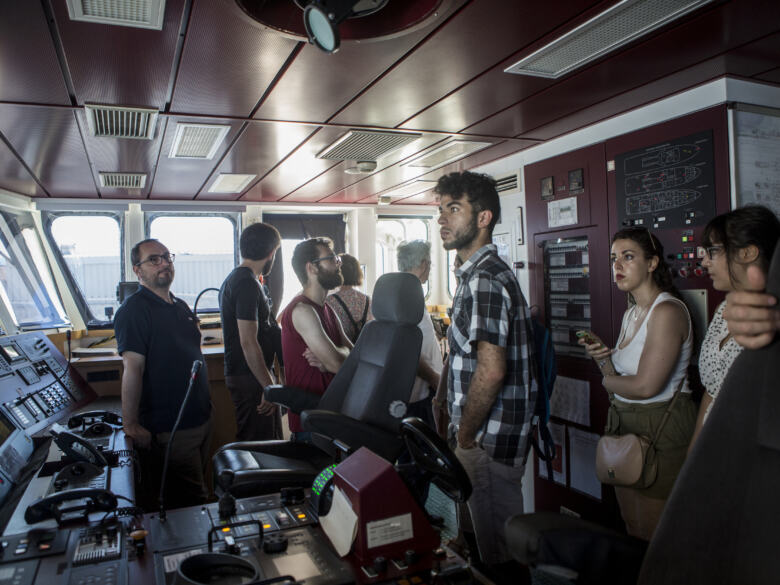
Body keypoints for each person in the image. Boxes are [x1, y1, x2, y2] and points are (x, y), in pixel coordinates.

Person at [435, 171, 536, 570]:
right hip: (481, 432)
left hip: (487, 439)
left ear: (483, 218)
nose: (442, 219)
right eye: (440, 210)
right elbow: (466, 356)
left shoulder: (486, 279)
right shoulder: (472, 275)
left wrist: (464, 432)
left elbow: (492, 371)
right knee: (481, 542)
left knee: (500, 556)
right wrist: (445, 400)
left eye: (454, 209)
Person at [581, 227, 696, 540]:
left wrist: (607, 382)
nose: (617, 265)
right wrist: (603, 357)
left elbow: (646, 386)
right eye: (614, 258)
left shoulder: (668, 311)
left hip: (662, 427)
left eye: (628, 257)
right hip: (624, 422)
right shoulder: (631, 314)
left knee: (656, 537)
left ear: (652, 263)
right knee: (632, 527)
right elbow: (618, 376)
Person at [114, 239, 212, 510]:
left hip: (200, 420)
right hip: (171, 427)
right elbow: (133, 368)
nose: (164, 263)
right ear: (138, 270)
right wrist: (130, 424)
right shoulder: (134, 311)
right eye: (154, 259)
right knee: (192, 502)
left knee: (198, 491)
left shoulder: (178, 305)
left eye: (167, 257)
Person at [689, 206, 780, 448]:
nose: (704, 261)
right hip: (712, 451)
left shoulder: (773, 315)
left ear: (748, 252)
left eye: (713, 251)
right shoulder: (722, 310)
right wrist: (692, 456)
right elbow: (710, 394)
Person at [279, 238, 352, 441]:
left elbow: (354, 355)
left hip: (332, 417)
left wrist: (338, 353)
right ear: (311, 268)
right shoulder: (302, 310)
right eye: (331, 258)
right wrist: (337, 358)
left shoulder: (328, 309)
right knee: (323, 475)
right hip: (312, 423)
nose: (339, 263)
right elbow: (338, 364)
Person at [219, 222, 283, 441]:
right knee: (259, 445)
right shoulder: (246, 283)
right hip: (250, 377)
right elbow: (248, 341)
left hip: (250, 375)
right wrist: (269, 386)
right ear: (272, 252)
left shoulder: (239, 279)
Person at [396, 240, 442, 427]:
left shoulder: (408, 291)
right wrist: (434, 378)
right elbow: (406, 350)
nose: (430, 268)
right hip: (418, 394)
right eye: (429, 263)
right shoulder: (407, 296)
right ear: (424, 264)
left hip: (420, 391)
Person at [325, 254, 372, 344]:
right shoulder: (368, 301)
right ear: (357, 273)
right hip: (363, 354)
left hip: (340, 354)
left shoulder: (329, 302)